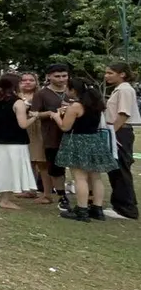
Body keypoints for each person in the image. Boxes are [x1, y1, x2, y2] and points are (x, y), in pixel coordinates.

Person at [52, 78, 118, 221]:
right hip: (94, 140)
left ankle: (81, 210)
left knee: (80, 177)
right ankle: (97, 208)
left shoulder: (75, 106)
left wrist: (57, 116)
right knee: (96, 177)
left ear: (73, 90)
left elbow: (65, 127)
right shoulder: (96, 104)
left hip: (78, 141)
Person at [0, 73, 40, 209]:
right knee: (10, 169)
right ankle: (5, 199)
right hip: (14, 141)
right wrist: (34, 117)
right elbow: (23, 124)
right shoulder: (18, 102)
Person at [31, 64, 72, 211]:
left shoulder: (73, 91)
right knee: (55, 167)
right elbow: (34, 114)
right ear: (49, 76)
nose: (61, 79)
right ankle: (61, 196)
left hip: (73, 135)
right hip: (51, 135)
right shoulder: (42, 94)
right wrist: (51, 113)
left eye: (64, 76)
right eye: (57, 76)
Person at [104, 62, 139, 219]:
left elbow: (123, 113)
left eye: (110, 73)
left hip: (121, 131)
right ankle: (120, 204)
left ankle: (126, 208)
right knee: (115, 168)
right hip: (118, 130)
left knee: (120, 169)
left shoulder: (125, 90)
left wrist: (112, 133)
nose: (107, 76)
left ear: (122, 74)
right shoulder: (119, 90)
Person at [19, 71, 52, 203]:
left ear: (36, 82)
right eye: (24, 80)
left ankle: (47, 193)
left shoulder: (41, 95)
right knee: (28, 161)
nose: (27, 82)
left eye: (31, 80)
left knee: (41, 161)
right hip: (21, 130)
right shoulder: (16, 95)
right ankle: (30, 190)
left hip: (38, 129)